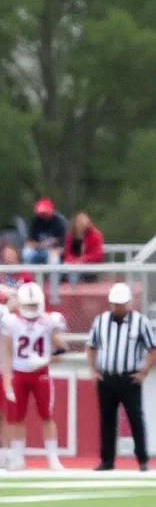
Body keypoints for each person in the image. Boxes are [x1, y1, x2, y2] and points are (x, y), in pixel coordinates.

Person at [85, 282, 156, 472]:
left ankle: (142, 460)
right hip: (107, 378)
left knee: (136, 419)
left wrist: (143, 372)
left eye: (121, 304)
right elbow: (91, 347)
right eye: (115, 304)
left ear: (129, 303)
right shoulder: (100, 321)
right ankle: (107, 461)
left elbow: (154, 349)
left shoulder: (140, 321)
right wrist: (93, 370)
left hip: (129, 378)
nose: (118, 307)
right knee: (107, 421)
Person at [0, 282, 66, 470]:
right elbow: (5, 353)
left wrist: (45, 360)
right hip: (18, 375)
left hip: (40, 375)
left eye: (33, 305)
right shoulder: (10, 322)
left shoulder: (48, 321)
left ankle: (53, 458)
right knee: (16, 417)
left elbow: (63, 349)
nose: (30, 310)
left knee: (47, 415)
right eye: (27, 305)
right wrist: (7, 380)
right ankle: (18, 457)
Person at [62, 212, 104, 280]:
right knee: (68, 271)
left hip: (90, 266)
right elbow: (67, 253)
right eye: (79, 222)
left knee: (84, 275)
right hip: (73, 265)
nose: (81, 224)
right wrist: (73, 261)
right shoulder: (70, 235)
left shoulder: (96, 235)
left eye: (83, 222)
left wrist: (83, 260)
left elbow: (97, 254)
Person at [24, 199, 66, 265]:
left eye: (44, 212)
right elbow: (29, 243)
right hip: (39, 250)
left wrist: (55, 250)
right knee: (27, 253)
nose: (42, 215)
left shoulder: (59, 222)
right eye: (41, 213)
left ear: (51, 210)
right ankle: (28, 274)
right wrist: (41, 245)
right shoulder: (35, 221)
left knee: (54, 258)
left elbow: (64, 244)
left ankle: (52, 275)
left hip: (54, 251)